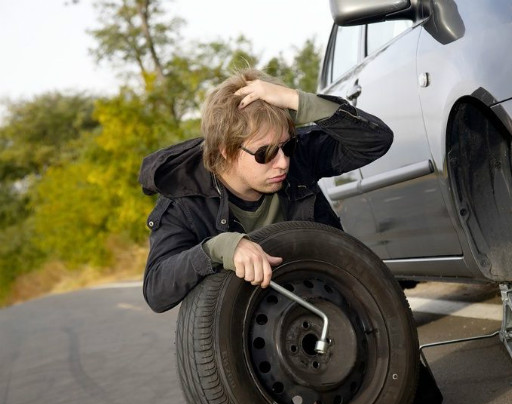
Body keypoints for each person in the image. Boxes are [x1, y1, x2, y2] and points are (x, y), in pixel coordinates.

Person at [138, 68, 393, 313]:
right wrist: (219, 248)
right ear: (227, 151)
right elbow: (157, 290)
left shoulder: (297, 157)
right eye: (266, 153)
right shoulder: (185, 203)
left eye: (287, 147)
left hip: (330, 301)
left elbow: (376, 140)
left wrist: (295, 99)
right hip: (250, 332)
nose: (283, 162)